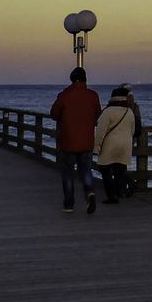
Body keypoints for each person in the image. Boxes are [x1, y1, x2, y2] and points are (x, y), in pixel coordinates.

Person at [50, 67, 102, 214]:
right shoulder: (93, 95)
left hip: (69, 140)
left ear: (71, 79)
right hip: (86, 140)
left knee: (68, 172)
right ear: (85, 79)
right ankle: (89, 192)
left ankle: (69, 204)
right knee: (86, 170)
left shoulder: (64, 95)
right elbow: (98, 114)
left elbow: (54, 114)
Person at [93, 86, 137, 204]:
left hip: (110, 144)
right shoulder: (129, 112)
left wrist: (96, 148)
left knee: (105, 169)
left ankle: (112, 195)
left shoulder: (108, 111)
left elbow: (101, 131)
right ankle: (120, 192)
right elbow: (131, 131)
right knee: (120, 169)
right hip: (125, 144)